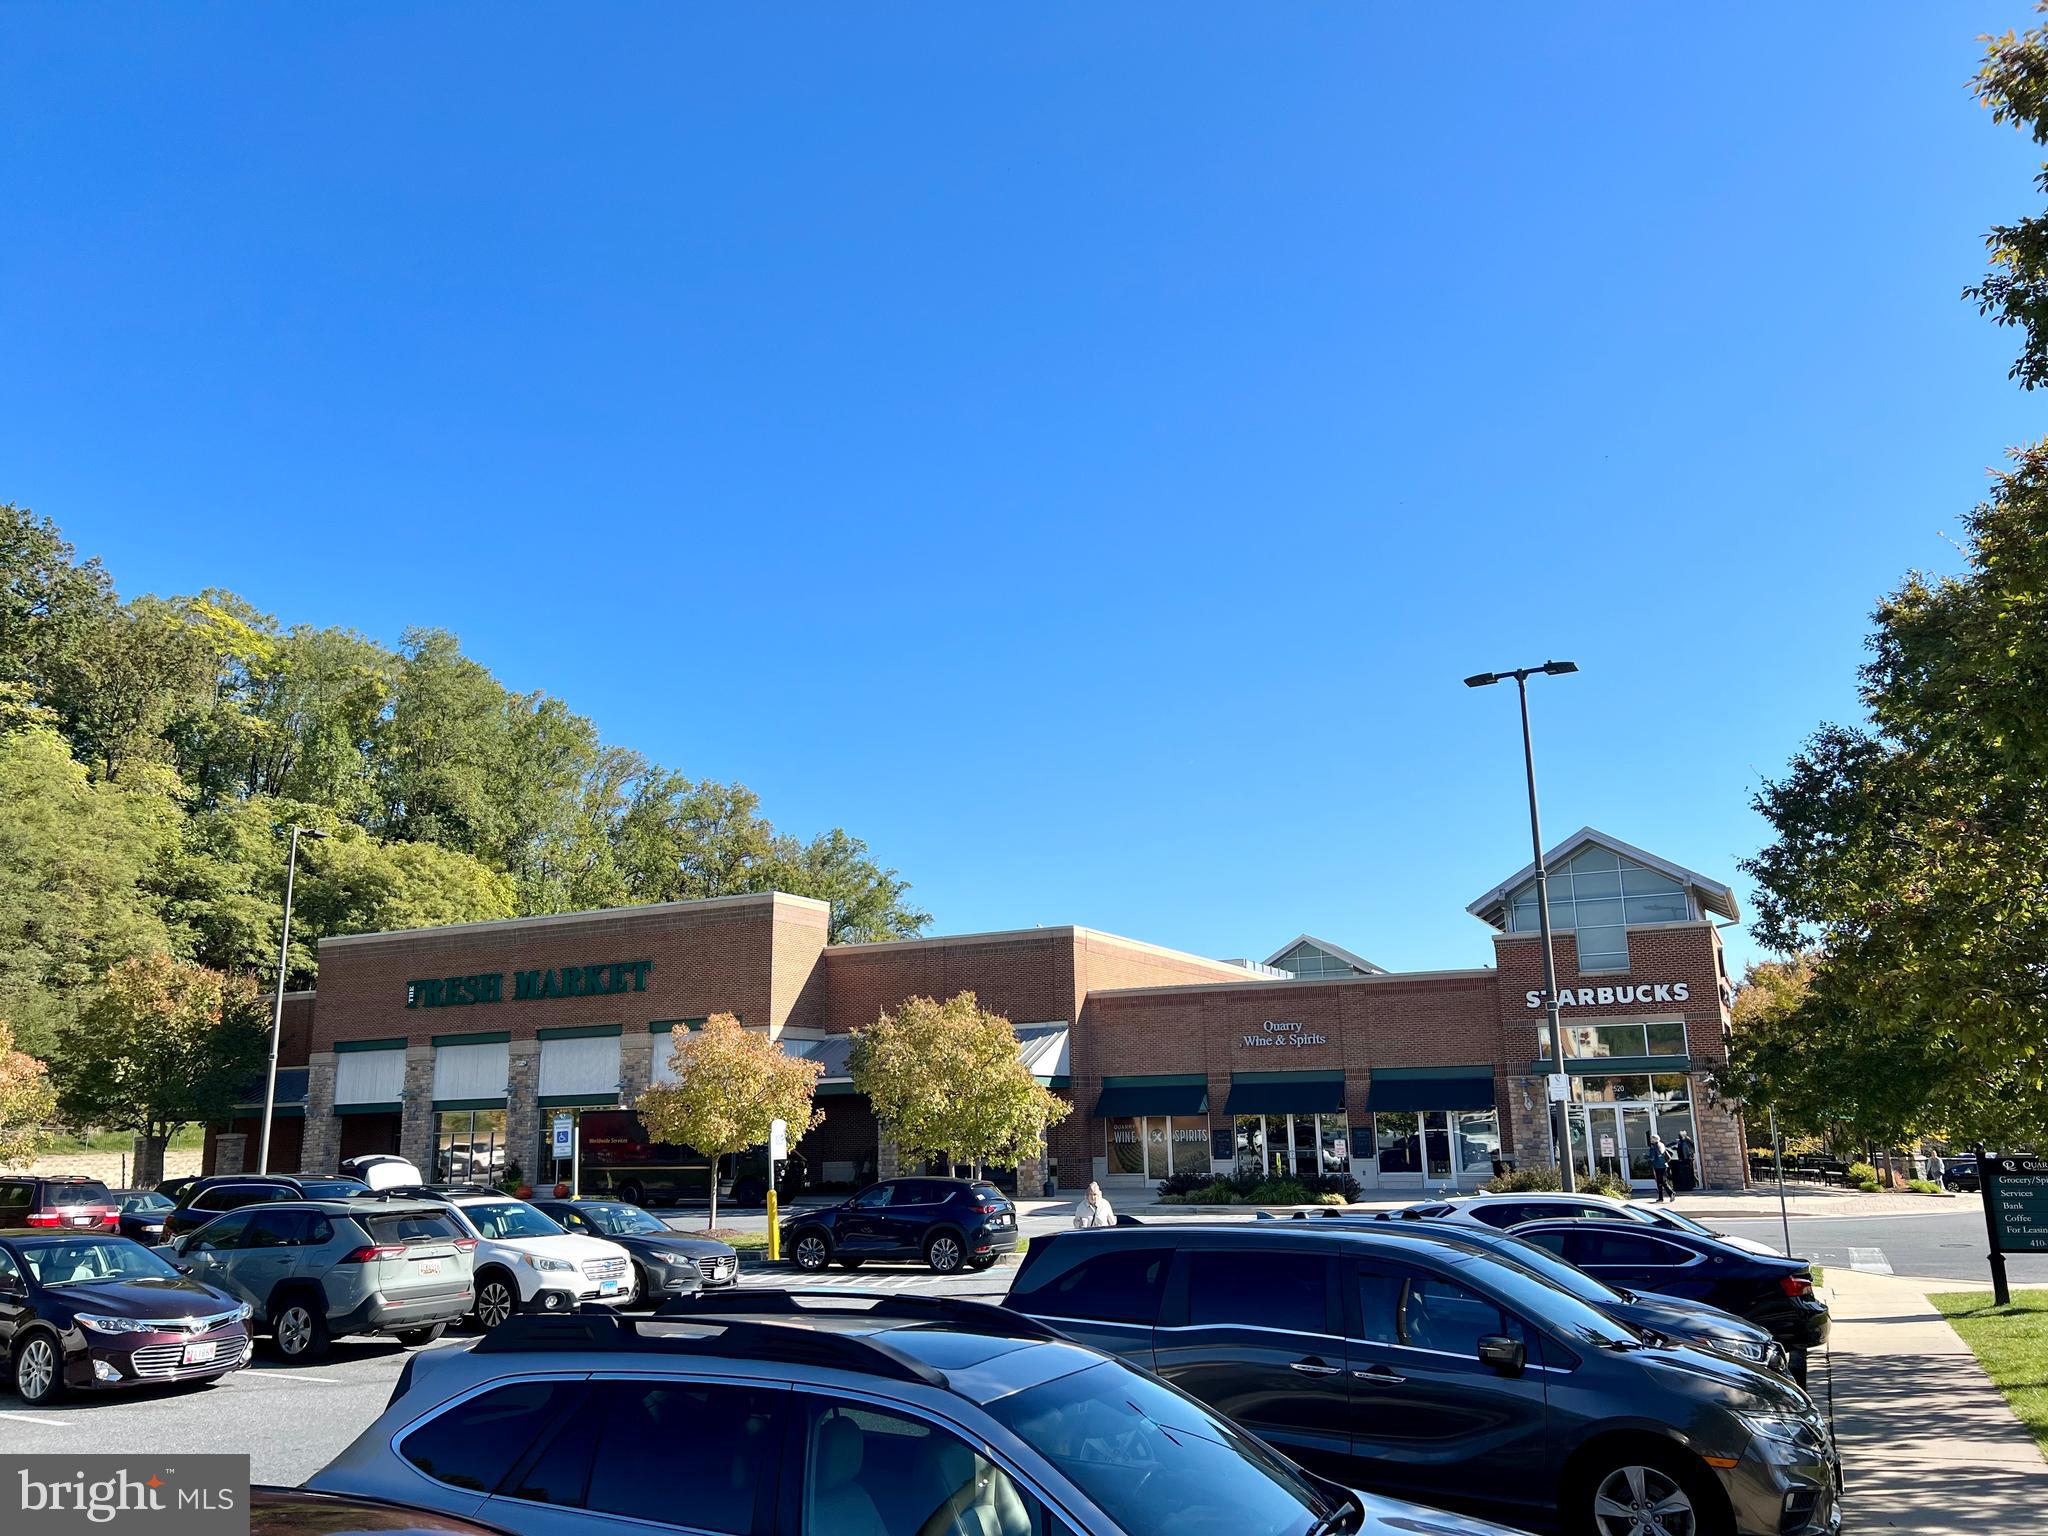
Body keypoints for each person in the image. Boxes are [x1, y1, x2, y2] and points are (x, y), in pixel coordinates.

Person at [1648, 1136, 1674, 1202]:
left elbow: (1652, 1157)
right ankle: (1661, 1197)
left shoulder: (1653, 1147)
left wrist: (1646, 1157)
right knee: (1662, 1181)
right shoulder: (1661, 1145)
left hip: (1657, 1166)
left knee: (1660, 1182)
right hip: (1664, 1165)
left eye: (1651, 1139)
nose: (1650, 1140)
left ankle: (1670, 1193)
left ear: (1654, 1140)